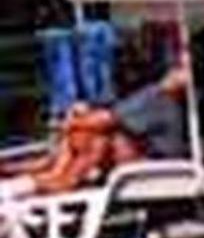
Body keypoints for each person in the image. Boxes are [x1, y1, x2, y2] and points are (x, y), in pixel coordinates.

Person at [1, 63, 192, 199]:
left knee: (96, 136)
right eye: (176, 68)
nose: (175, 72)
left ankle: (53, 183)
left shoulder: (161, 100)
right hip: (131, 151)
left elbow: (108, 119)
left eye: (181, 70)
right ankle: (41, 182)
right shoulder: (152, 94)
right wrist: (76, 122)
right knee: (84, 135)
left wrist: (69, 124)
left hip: (154, 160)